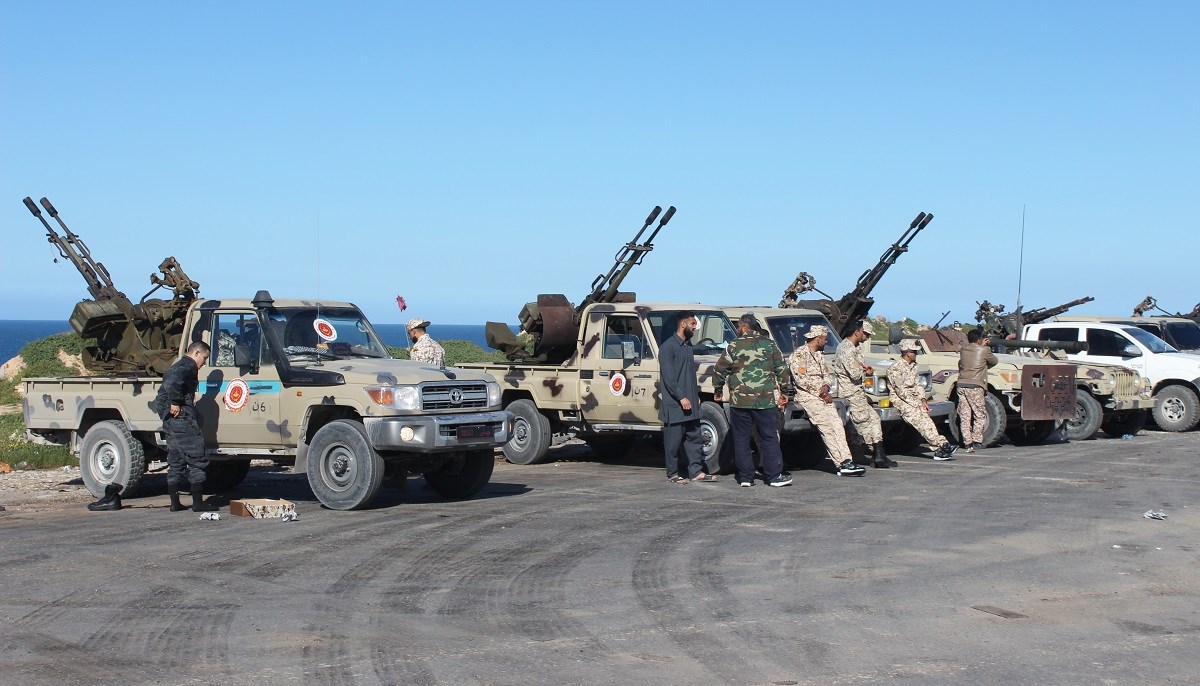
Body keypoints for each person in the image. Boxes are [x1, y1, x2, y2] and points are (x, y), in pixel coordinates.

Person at [714, 314, 793, 487]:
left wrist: (718, 390)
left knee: (741, 438)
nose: (737, 329)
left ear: (743, 326)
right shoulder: (769, 344)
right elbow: (782, 369)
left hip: (740, 401)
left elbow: (719, 369)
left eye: (738, 326)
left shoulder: (733, 345)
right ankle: (773, 477)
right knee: (769, 437)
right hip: (764, 400)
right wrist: (784, 392)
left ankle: (745, 477)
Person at [788, 325, 865, 476]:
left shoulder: (818, 355)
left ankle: (848, 460)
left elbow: (827, 375)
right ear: (818, 339)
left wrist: (826, 385)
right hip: (808, 397)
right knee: (827, 428)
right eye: (824, 338)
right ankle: (840, 463)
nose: (826, 340)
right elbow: (800, 380)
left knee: (837, 426)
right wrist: (821, 392)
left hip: (824, 397)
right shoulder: (799, 356)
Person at [155, 341, 216, 512]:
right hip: (182, 421)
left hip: (172, 423)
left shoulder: (179, 366)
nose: (203, 363)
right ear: (196, 353)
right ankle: (198, 503)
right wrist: (175, 402)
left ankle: (175, 503)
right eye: (204, 358)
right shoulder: (187, 366)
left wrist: (166, 416)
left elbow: (160, 398)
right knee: (198, 458)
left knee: (176, 461)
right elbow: (173, 381)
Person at [658, 311, 714, 483]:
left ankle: (696, 472)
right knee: (673, 442)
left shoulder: (688, 347)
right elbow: (669, 378)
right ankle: (673, 474)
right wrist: (682, 397)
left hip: (690, 403)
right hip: (675, 404)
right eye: (692, 324)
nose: (695, 327)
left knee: (694, 438)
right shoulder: (668, 347)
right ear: (683, 324)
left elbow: (688, 375)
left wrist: (694, 394)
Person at [835, 320, 897, 468]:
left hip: (857, 392)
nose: (867, 337)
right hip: (850, 393)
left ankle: (877, 454)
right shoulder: (846, 349)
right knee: (862, 424)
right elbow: (855, 373)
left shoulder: (855, 348)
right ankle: (876, 455)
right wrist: (866, 371)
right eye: (866, 334)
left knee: (872, 419)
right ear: (857, 332)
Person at [888, 339, 957, 461]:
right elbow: (901, 391)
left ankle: (942, 445)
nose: (916, 354)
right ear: (908, 353)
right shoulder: (895, 369)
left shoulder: (913, 367)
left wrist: (923, 400)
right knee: (920, 422)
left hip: (914, 400)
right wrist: (916, 404)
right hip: (902, 401)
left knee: (926, 420)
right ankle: (940, 446)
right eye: (914, 352)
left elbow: (918, 385)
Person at [957, 329, 999, 452]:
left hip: (962, 384)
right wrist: (983, 346)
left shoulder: (963, 350)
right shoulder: (984, 350)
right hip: (975, 385)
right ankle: (977, 441)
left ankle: (967, 442)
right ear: (979, 340)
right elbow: (994, 361)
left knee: (964, 415)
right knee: (979, 414)